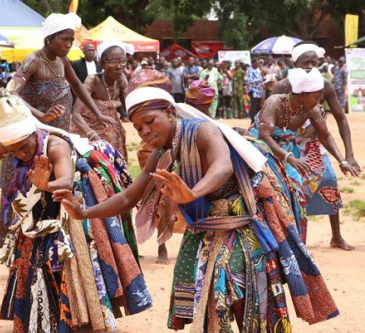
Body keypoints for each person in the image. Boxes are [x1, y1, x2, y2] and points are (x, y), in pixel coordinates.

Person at [54, 69, 340, 332]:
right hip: (208, 227)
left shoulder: (203, 131)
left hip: (245, 225)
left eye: (150, 122)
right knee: (206, 293)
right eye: (139, 129)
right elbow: (130, 197)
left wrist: (192, 193)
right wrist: (84, 213)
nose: (145, 133)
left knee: (230, 281)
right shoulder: (161, 152)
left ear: (169, 111)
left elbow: (222, 167)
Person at [0, 95, 152, 333]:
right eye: (13, 151)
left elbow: (66, 181)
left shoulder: (55, 145)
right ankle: (45, 313)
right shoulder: (12, 144)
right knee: (34, 249)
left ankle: (86, 313)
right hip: (40, 189)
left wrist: (45, 185)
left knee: (72, 251)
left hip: (73, 193)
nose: (19, 154)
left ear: (33, 134)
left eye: (24, 147)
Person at [1, 12, 115, 247]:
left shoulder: (63, 61)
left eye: (71, 40)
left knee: (55, 187)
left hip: (58, 138)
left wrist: (97, 113)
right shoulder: (33, 60)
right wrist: (40, 115)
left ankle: (52, 244)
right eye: (64, 39)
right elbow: (11, 92)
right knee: (28, 188)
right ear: (49, 38)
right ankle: (20, 246)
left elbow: (77, 86)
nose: (69, 44)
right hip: (33, 140)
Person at [251, 68, 360, 243]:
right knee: (267, 192)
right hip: (259, 151)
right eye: (316, 96)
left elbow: (325, 136)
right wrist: (289, 158)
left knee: (297, 191)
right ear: (302, 95)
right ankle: (270, 241)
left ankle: (296, 244)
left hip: (287, 154)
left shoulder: (311, 109)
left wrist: (342, 160)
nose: (319, 101)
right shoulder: (274, 102)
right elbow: (264, 136)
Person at [71, 40, 131, 160]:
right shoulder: (93, 81)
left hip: (111, 129)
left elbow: (129, 108)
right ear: (102, 64)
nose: (119, 66)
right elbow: (76, 115)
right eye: (113, 62)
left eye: (122, 61)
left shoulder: (121, 79)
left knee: (114, 165)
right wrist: (93, 136)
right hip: (87, 131)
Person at [245, 58, 263, 123]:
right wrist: (260, 80)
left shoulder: (257, 70)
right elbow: (250, 81)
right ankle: (253, 121)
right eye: (257, 63)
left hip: (258, 91)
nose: (258, 64)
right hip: (253, 91)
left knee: (258, 106)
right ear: (253, 63)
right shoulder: (250, 70)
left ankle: (257, 120)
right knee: (253, 106)